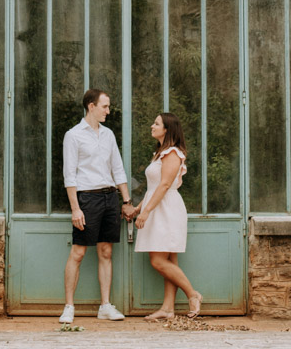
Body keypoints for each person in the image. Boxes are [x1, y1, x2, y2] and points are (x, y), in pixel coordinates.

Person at [60, 88, 137, 324]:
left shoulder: (108, 135)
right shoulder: (73, 135)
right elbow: (69, 175)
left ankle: (105, 305)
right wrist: (75, 208)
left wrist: (125, 201)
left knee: (106, 252)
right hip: (87, 199)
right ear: (91, 106)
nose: (108, 110)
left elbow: (118, 169)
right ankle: (69, 307)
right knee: (79, 252)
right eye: (105, 106)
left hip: (109, 198)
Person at [131, 112, 202, 320]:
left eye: (156, 123)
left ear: (167, 129)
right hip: (157, 205)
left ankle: (193, 293)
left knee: (158, 260)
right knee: (169, 259)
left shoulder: (173, 153)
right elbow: (153, 188)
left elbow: (164, 185)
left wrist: (145, 212)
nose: (152, 126)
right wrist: (138, 207)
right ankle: (168, 309)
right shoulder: (160, 153)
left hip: (167, 209)